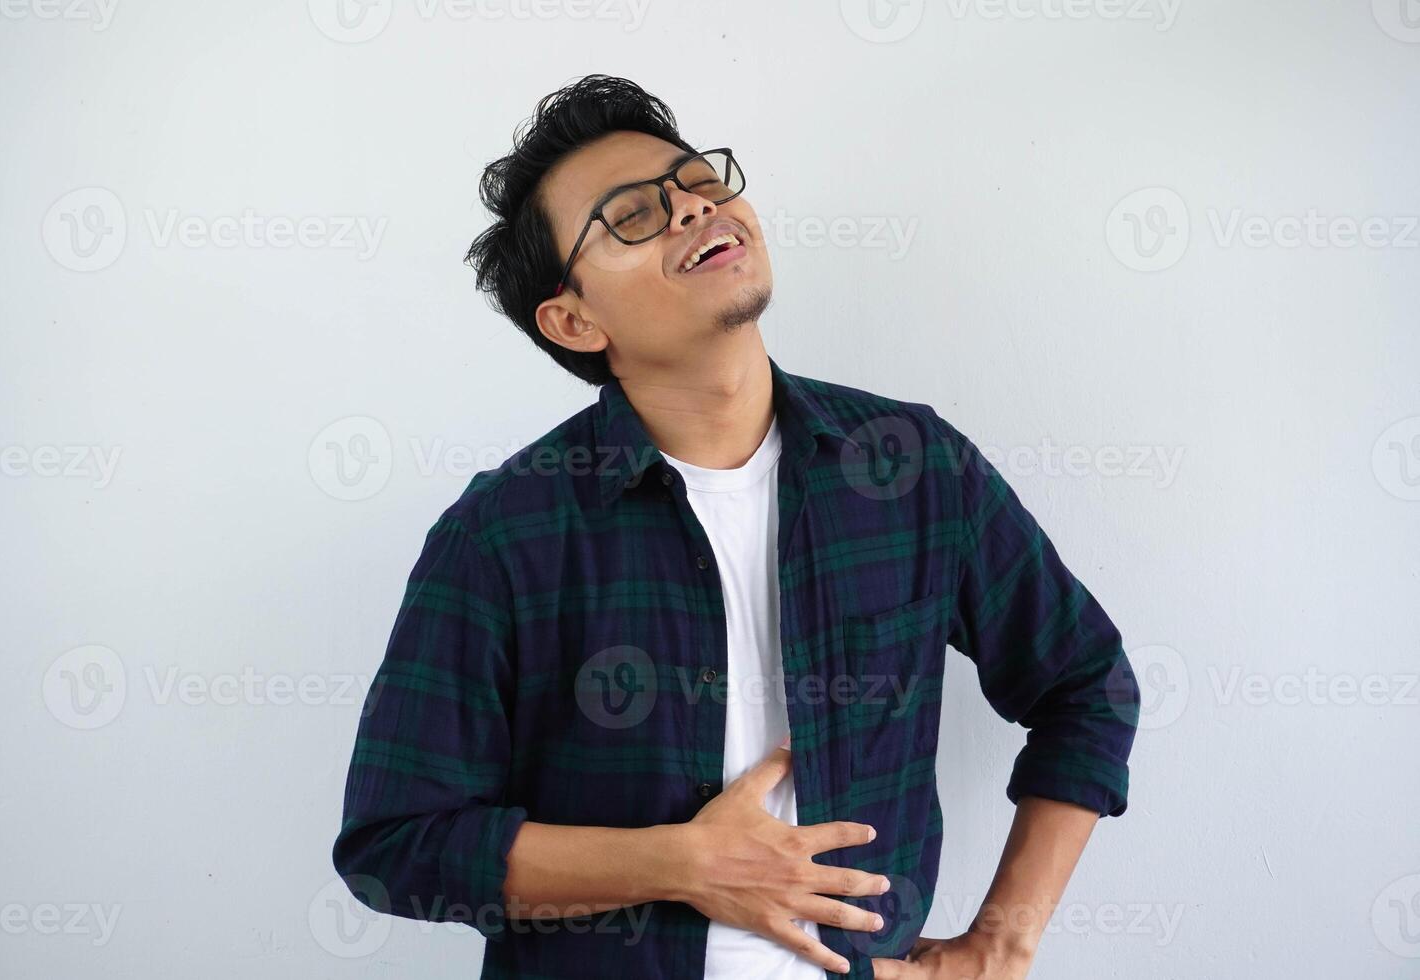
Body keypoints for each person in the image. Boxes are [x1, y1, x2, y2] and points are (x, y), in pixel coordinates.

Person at [332, 74, 1140, 980]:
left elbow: (1087, 686)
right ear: (573, 317)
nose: (691, 210)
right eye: (633, 215)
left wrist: (1003, 944)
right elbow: (397, 843)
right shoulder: (503, 534)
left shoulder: (909, 464)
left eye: (701, 182)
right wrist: (680, 862)